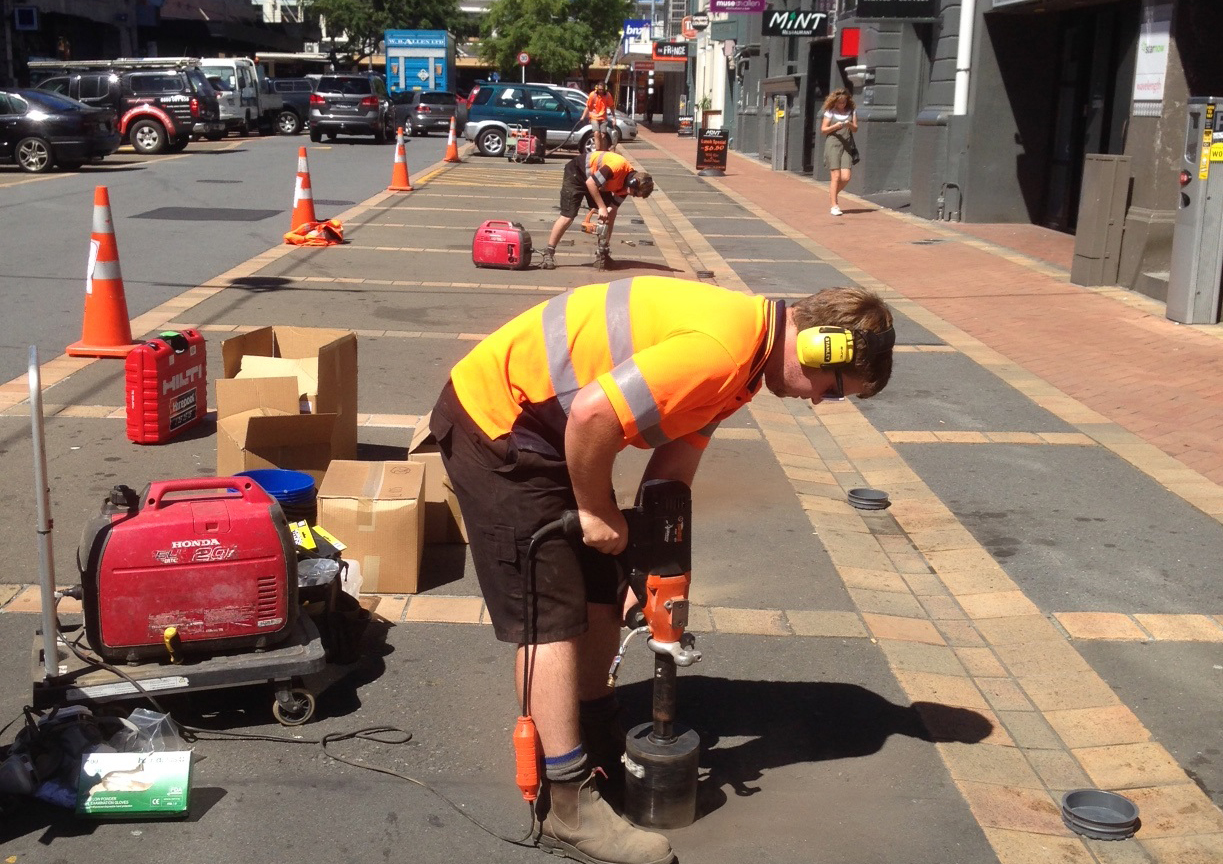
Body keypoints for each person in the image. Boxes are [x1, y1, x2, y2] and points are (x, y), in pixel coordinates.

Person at [428, 277, 894, 864]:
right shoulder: (722, 351)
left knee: (599, 587)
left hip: (551, 430)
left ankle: (593, 734)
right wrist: (596, 512)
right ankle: (564, 803)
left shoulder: (745, 369)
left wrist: (641, 559)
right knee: (550, 617)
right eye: (834, 388)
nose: (821, 401)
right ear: (818, 348)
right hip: (498, 425)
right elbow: (594, 416)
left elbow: (673, 468)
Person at [540, 151, 654, 271]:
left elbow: (612, 208)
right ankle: (549, 252)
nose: (633, 196)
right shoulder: (617, 166)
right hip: (577, 173)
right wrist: (602, 207)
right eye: (635, 193)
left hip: (597, 182)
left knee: (610, 215)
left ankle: (603, 253)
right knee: (568, 216)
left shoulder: (627, 188)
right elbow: (591, 183)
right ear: (633, 183)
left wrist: (606, 214)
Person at [821, 89, 858, 217]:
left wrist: (849, 124)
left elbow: (855, 129)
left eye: (844, 102)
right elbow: (824, 129)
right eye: (840, 103)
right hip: (833, 144)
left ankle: (832, 193)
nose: (842, 105)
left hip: (846, 145)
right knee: (835, 176)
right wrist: (835, 126)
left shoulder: (851, 111)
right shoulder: (830, 112)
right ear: (835, 102)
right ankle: (834, 205)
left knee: (846, 177)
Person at [582, 81, 615, 151]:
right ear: (596, 88)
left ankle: (602, 150)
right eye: (599, 89)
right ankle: (597, 150)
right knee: (596, 133)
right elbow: (587, 106)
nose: (600, 91)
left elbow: (611, 106)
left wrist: (614, 117)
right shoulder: (592, 95)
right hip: (594, 117)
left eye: (602, 90)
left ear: (605, 89)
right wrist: (583, 116)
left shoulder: (608, 95)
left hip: (603, 117)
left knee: (602, 135)